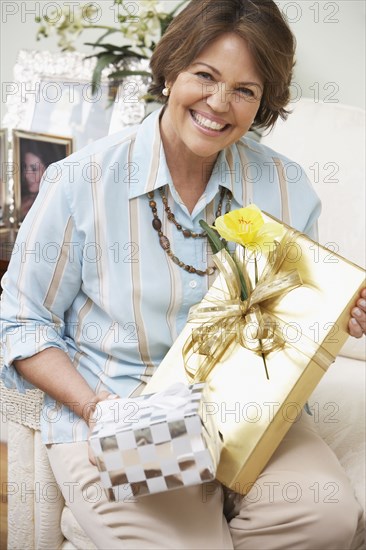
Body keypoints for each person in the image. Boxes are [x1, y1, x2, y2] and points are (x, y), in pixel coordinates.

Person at [1, 1, 365, 548]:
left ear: (264, 102)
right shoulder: (79, 181)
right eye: (205, 76)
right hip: (122, 404)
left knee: (326, 518)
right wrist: (99, 410)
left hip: (248, 407)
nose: (219, 104)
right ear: (170, 71)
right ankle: (104, 514)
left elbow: (291, 312)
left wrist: (340, 311)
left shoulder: (285, 186)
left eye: (245, 90)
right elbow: (21, 322)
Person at [19, 140, 66, 221]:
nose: (27, 175)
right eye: (25, 168)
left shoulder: (58, 205)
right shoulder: (22, 201)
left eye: (34, 169)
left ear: (50, 171)